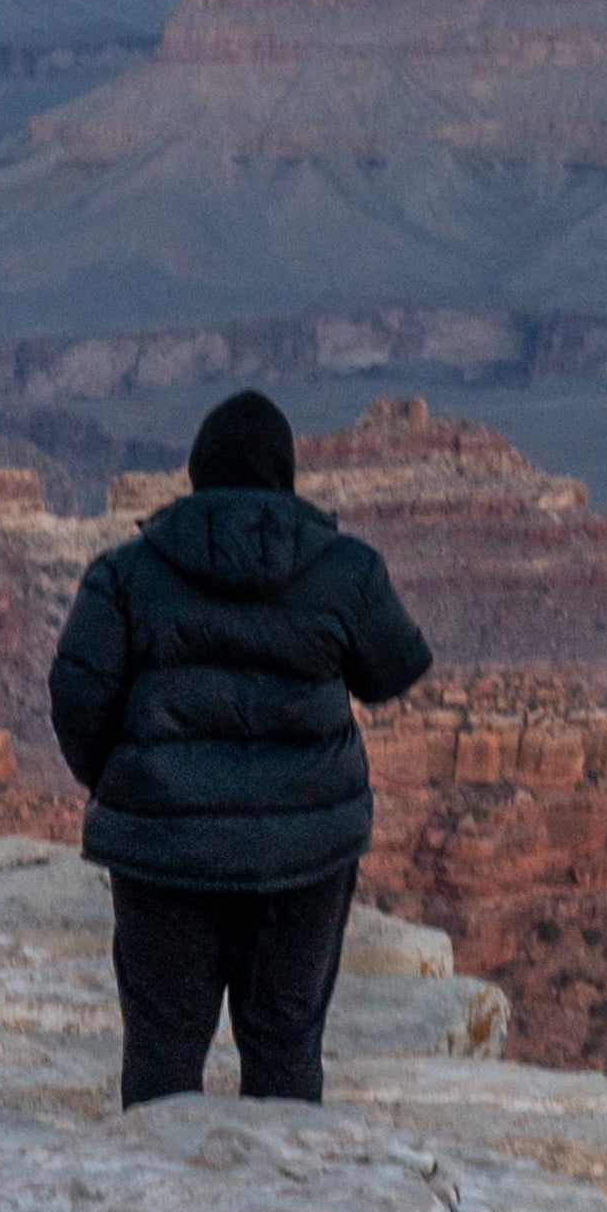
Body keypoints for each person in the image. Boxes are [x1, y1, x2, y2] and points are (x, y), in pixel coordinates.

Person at [45, 390, 439, 1104]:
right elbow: (394, 669)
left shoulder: (124, 573)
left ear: (196, 473)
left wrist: (120, 783)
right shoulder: (345, 569)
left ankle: (158, 1206)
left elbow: (77, 695)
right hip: (304, 854)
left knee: (162, 1052)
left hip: (164, 852)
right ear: (285, 477)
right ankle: (282, 1208)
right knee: (285, 1052)